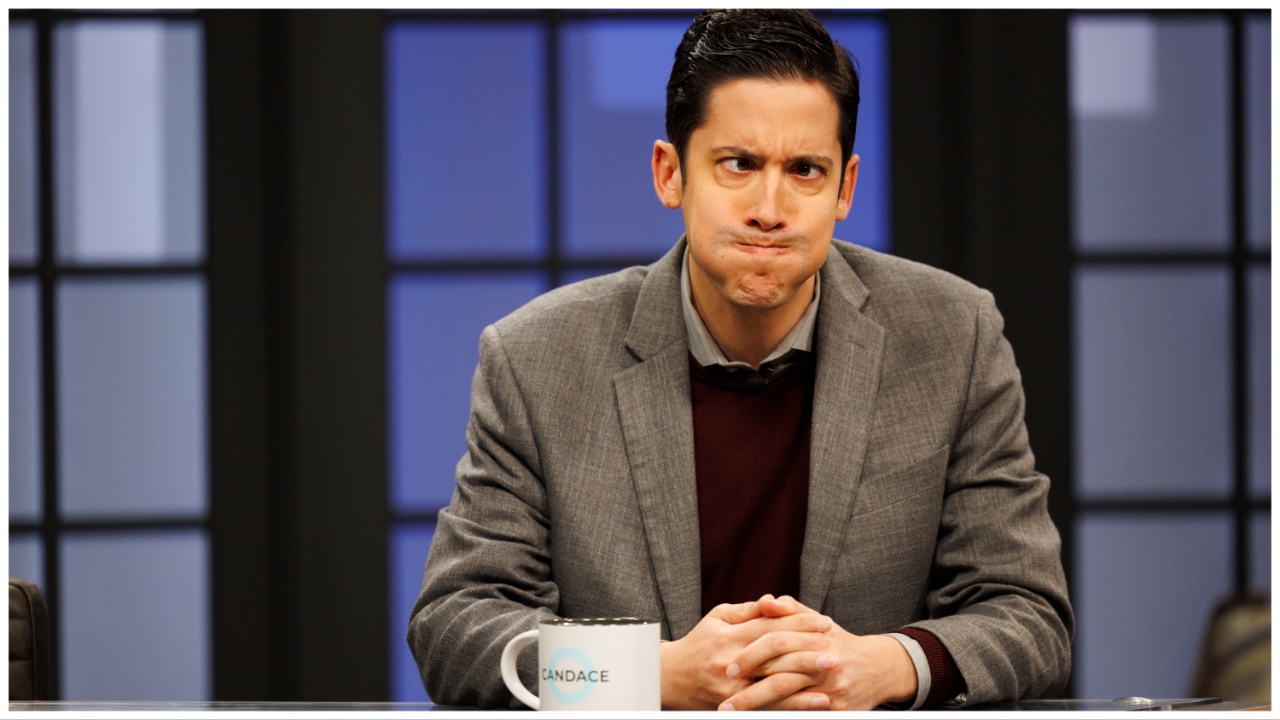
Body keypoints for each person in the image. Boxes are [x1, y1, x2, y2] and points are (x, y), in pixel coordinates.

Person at [408, 8, 1072, 711]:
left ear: (844, 189)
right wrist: (654, 676)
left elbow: (1029, 615)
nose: (769, 207)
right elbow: (458, 627)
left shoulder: (953, 336)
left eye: (805, 171)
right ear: (671, 175)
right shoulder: (538, 359)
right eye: (739, 164)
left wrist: (883, 665)